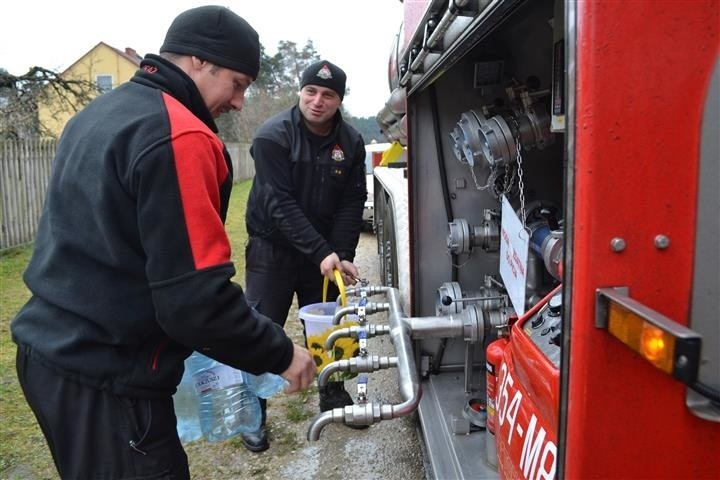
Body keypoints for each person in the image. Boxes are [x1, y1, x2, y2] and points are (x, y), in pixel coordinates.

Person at [10, 6, 316, 479]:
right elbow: (195, 301)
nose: (238, 102)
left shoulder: (100, 114)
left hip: (48, 356)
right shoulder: (180, 135)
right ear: (198, 61)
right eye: (236, 83)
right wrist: (281, 353)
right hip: (109, 374)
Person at [242, 60, 368, 452]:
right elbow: (278, 203)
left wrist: (341, 253)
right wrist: (322, 251)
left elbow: (352, 201)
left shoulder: (350, 142)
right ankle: (252, 409)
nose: (318, 101)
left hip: (324, 254)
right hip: (272, 249)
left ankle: (332, 395)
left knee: (330, 329)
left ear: (339, 100)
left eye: (328, 94)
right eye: (311, 91)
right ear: (300, 92)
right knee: (261, 327)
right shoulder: (272, 136)